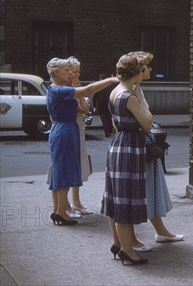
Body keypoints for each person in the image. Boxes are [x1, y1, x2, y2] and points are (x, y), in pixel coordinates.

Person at [45, 58, 119, 226]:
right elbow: (87, 90)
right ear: (56, 73)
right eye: (66, 70)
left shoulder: (56, 89)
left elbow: (84, 106)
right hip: (65, 130)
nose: (70, 73)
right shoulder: (59, 90)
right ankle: (61, 212)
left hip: (62, 129)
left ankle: (59, 210)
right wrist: (110, 80)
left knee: (61, 170)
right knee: (63, 171)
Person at [100, 53, 153, 265]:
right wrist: (138, 94)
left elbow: (115, 124)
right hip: (130, 147)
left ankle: (118, 243)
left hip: (118, 144)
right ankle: (128, 251)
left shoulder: (115, 92)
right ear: (137, 73)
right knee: (125, 199)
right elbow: (148, 122)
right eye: (143, 70)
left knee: (115, 197)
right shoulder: (129, 97)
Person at [129, 51, 183, 253]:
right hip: (140, 144)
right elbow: (145, 121)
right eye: (148, 67)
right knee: (139, 192)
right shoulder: (131, 91)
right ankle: (132, 239)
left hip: (144, 143)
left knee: (150, 189)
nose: (151, 69)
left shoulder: (137, 89)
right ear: (139, 70)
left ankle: (161, 230)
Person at [66, 56, 94, 215]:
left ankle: (76, 202)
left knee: (78, 165)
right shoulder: (67, 90)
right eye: (75, 72)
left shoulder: (76, 89)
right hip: (70, 130)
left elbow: (86, 108)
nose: (78, 75)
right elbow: (84, 108)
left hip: (79, 129)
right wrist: (79, 92)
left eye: (79, 72)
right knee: (69, 166)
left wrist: (79, 91)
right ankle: (67, 204)